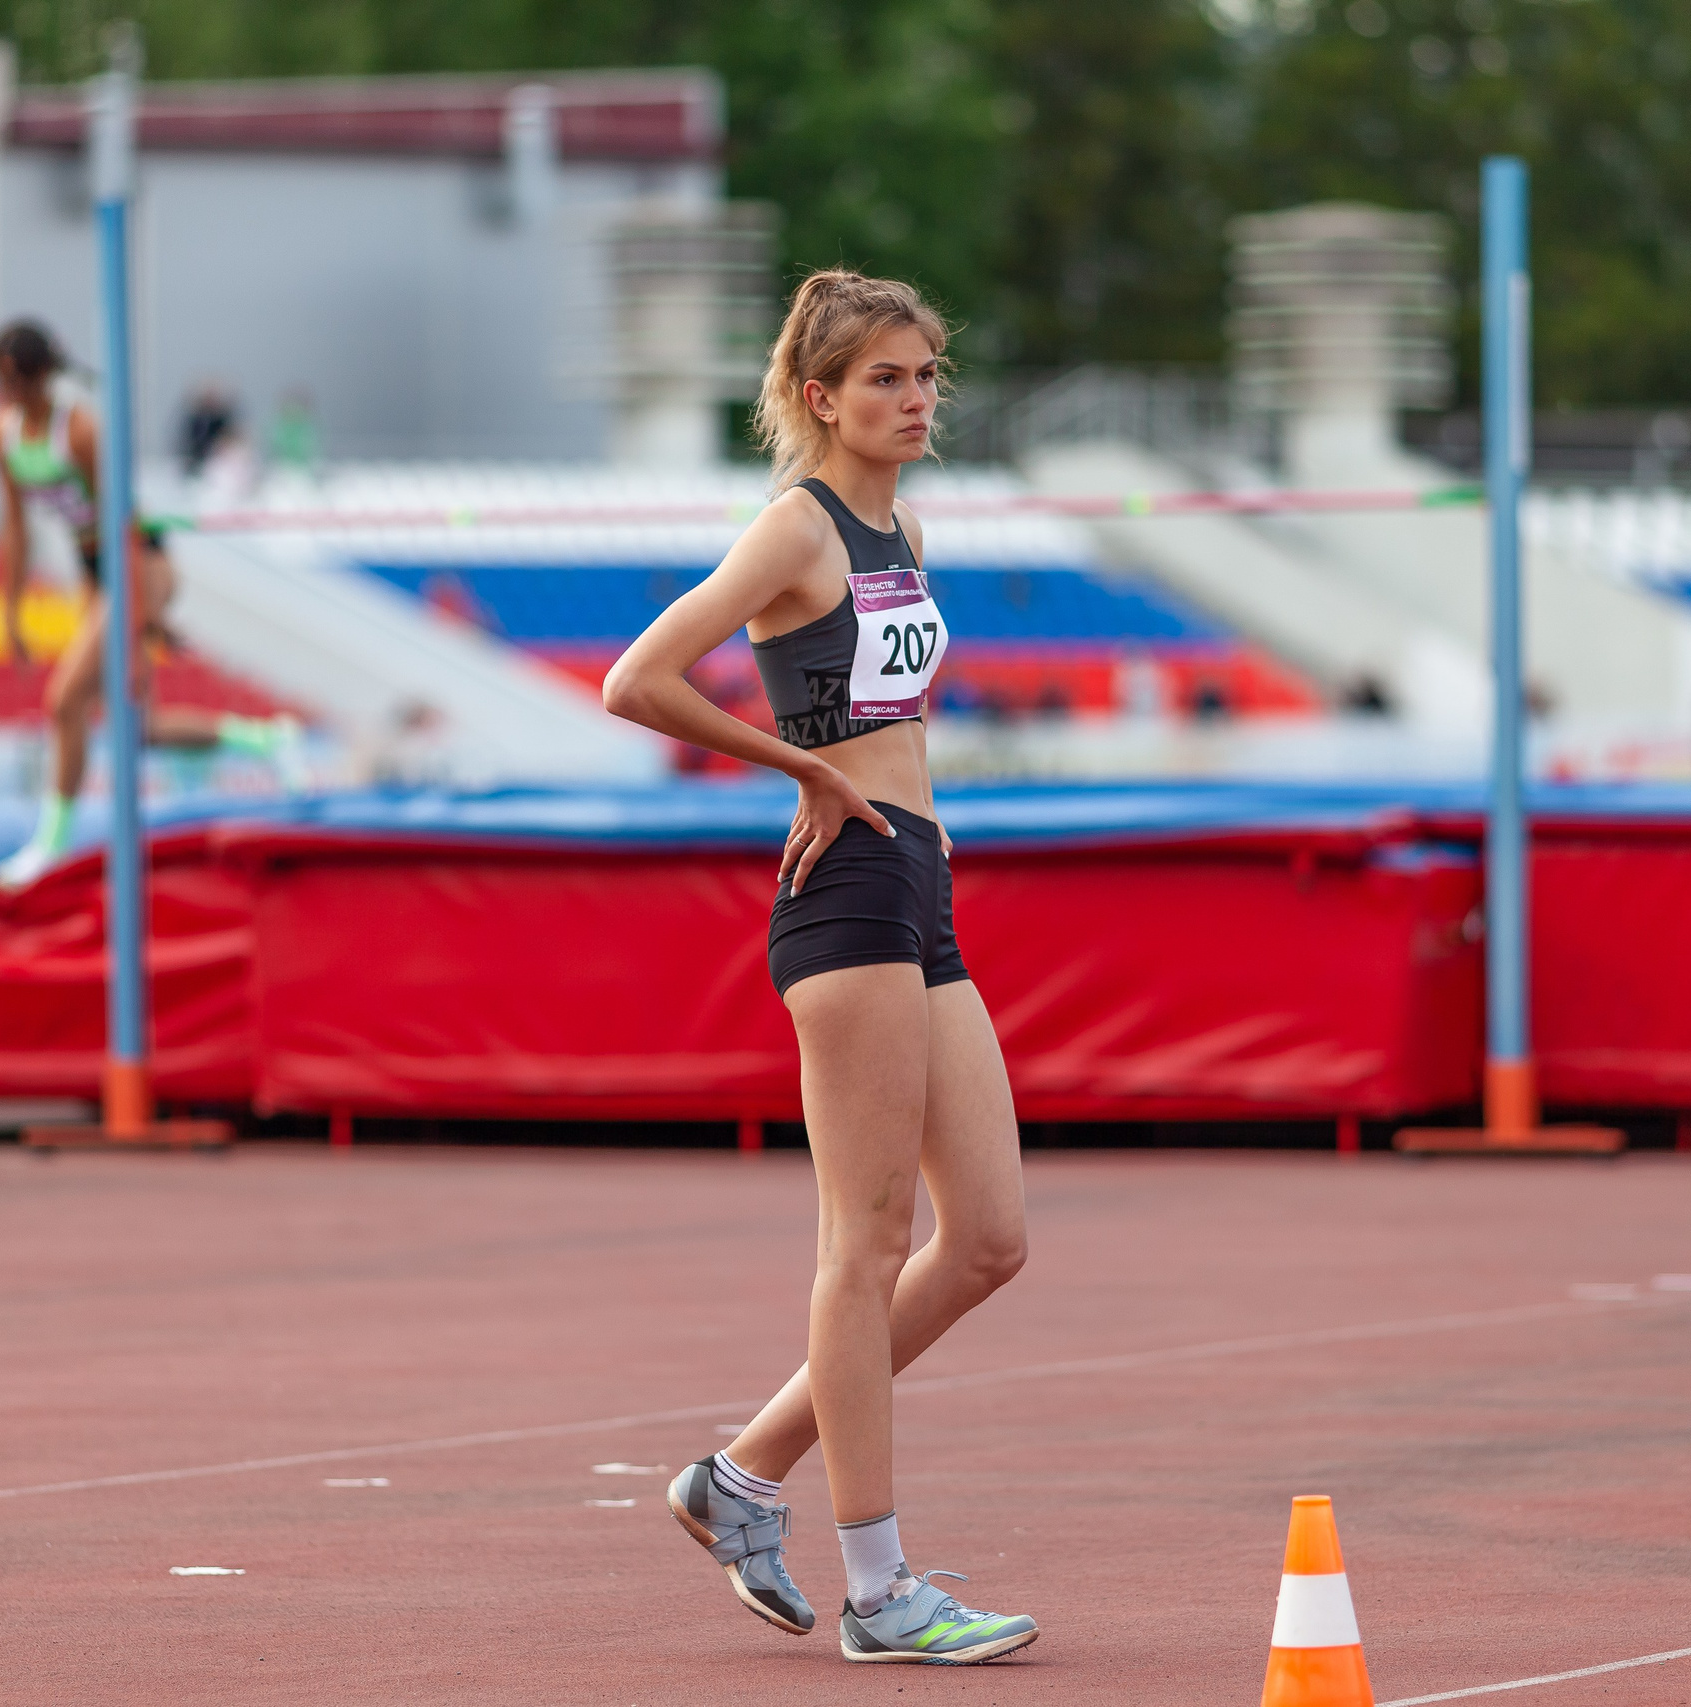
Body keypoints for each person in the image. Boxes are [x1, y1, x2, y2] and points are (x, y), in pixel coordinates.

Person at [602, 270, 1037, 1666]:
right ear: (819, 398)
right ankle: (881, 1587)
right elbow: (638, 678)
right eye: (888, 381)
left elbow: (890, 707)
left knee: (986, 1238)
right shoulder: (793, 528)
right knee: (864, 1243)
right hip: (844, 889)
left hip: (919, 877)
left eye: (925, 377)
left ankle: (736, 1476)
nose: (917, 401)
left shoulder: (903, 522)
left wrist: (902, 810)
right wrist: (801, 770)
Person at [0, 321, 300, 886]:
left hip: (138, 564)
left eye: (6, 382)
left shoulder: (79, 432)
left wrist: (146, 613)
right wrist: (9, 612)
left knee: (64, 702)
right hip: (94, 571)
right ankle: (267, 739)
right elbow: (16, 529)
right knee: (140, 730)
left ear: (27, 380)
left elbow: (123, 526)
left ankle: (49, 847)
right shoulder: (2, 435)